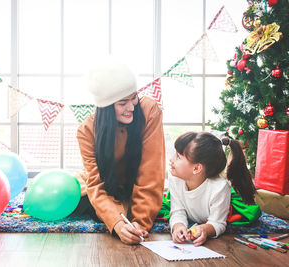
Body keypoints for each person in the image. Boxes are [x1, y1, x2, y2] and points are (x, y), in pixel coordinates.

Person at [74, 57, 165, 245]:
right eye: (123, 103)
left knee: (138, 210)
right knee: (83, 203)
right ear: (106, 107)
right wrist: (117, 224)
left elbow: (151, 172)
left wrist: (140, 223)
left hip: (136, 191)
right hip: (108, 191)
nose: (131, 107)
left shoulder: (149, 110)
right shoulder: (87, 131)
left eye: (134, 98)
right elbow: (96, 183)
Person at [168, 131, 257, 246]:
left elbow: (218, 223)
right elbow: (177, 212)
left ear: (196, 168)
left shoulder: (219, 188)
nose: (171, 159)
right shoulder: (175, 180)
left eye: (178, 157)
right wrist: (178, 226)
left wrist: (206, 229)